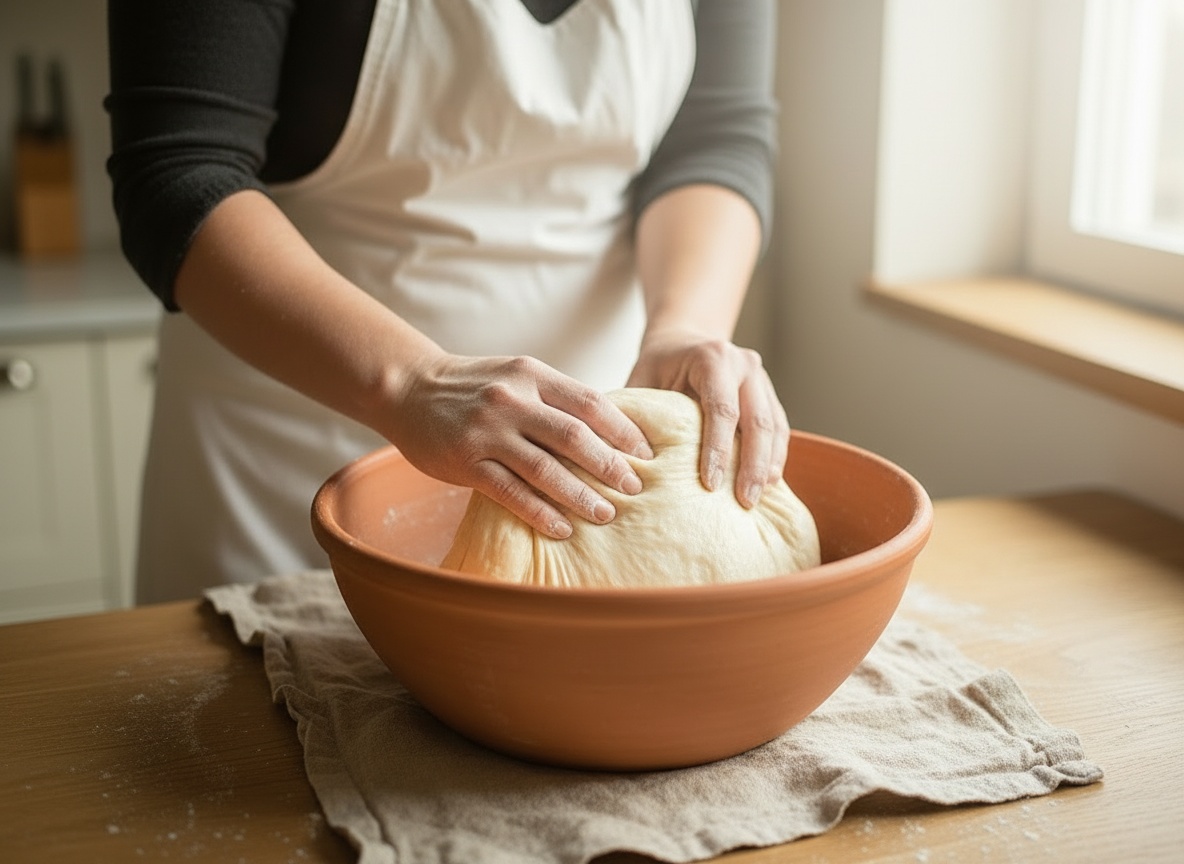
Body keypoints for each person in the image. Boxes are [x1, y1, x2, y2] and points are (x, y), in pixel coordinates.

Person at [105, 0, 786, 604]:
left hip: (594, 451)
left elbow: (714, 137)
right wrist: (410, 380)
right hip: (288, 453)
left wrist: (684, 325)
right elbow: (180, 171)